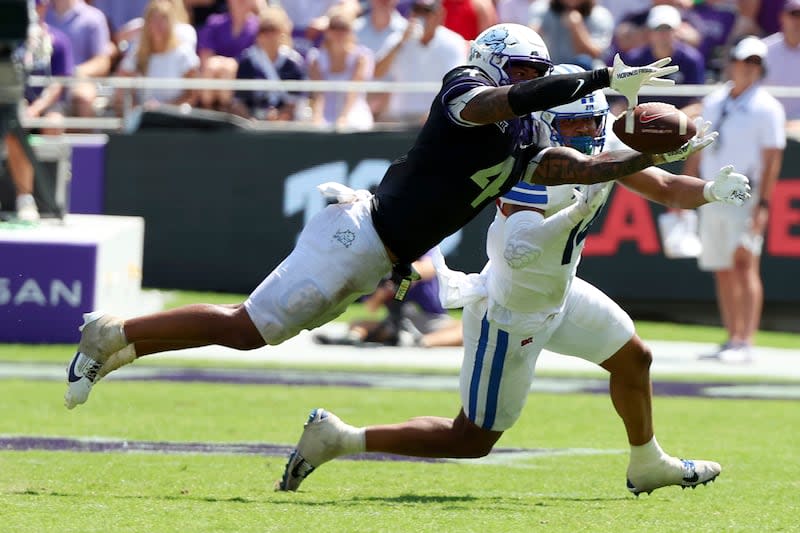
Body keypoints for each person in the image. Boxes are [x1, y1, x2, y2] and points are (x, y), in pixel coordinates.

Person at [63, 24, 692, 414]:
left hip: (379, 251)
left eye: (537, 71)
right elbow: (509, 97)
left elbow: (573, 169)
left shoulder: (524, 135)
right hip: (355, 238)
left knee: (256, 331)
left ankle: (122, 343)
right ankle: (114, 333)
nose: (531, 80)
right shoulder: (467, 89)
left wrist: (648, 154)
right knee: (251, 327)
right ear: (497, 60)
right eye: (525, 69)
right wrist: (601, 74)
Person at [272, 65, 749, 495]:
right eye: (572, 125)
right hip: (511, 312)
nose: (584, 134)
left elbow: (664, 188)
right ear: (546, 125)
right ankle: (340, 438)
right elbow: (518, 249)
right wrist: (572, 216)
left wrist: (710, 190)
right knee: (471, 439)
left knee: (634, 359)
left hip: (559, 296)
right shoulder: (532, 165)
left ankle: (648, 463)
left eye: (590, 124)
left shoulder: (597, 150)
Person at [684, 36, 786, 364]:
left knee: (744, 264)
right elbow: (698, 147)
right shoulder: (714, 100)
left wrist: (764, 205)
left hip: (745, 192)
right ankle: (732, 337)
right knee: (722, 267)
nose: (750, 69)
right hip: (712, 190)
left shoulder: (768, 107)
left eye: (756, 63)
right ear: (734, 63)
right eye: (746, 62)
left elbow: (772, 159)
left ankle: (746, 340)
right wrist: (686, 186)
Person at [3, 0, 73, 222]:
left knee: (38, 123)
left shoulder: (58, 41)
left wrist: (35, 108)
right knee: (15, 125)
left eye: (40, 4)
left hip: (44, 107)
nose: (36, 8)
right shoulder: (10, 41)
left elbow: (58, 84)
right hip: (11, 103)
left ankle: (27, 199)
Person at [312, 247, 463, 347]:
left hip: (430, 319)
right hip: (397, 320)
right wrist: (385, 291)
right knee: (358, 324)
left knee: (464, 329)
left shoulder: (425, 250)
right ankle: (352, 338)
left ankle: (421, 342)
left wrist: (400, 272)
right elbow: (370, 307)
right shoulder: (384, 259)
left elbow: (428, 269)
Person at [374, 0, 466, 124]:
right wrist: (401, 43)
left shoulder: (453, 42)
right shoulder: (397, 39)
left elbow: (456, 81)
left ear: (439, 15)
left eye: (427, 11)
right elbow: (377, 73)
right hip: (399, 119)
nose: (421, 16)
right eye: (417, 10)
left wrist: (434, 111)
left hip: (437, 118)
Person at [114, 0, 200, 109]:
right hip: (143, 120)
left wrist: (163, 109)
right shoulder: (137, 54)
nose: (158, 24)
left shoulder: (184, 54)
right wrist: (139, 110)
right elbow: (121, 89)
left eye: (163, 19)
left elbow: (192, 95)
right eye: (153, 19)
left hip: (175, 119)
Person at [230, 5, 307, 121]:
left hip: (286, 126)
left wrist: (280, 118)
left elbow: (296, 101)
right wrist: (250, 120)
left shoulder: (294, 63)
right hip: (252, 124)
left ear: (283, 33)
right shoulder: (247, 61)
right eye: (264, 30)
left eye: (274, 30)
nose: (269, 36)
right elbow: (239, 101)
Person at [307, 6, 375, 130]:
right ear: (327, 31)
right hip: (325, 111)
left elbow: (353, 91)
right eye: (334, 27)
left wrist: (343, 117)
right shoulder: (316, 58)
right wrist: (317, 117)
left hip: (353, 109)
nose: (339, 32)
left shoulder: (362, 57)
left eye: (343, 27)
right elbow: (319, 93)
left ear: (351, 31)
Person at [46, 0, 115, 119]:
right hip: (45, 83)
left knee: (83, 98)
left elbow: (103, 61)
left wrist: (75, 72)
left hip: (77, 82)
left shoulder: (94, 17)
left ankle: (87, 136)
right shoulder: (41, 14)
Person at [528, 0, 614, 70]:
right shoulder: (542, 9)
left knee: (583, 61)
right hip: (552, 70)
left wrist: (577, 27)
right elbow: (529, 40)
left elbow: (594, 54)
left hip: (588, 74)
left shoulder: (600, 15)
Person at [763, 0, 800, 127]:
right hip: (766, 122)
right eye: (793, 15)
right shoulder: (763, 49)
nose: (797, 21)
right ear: (782, 17)